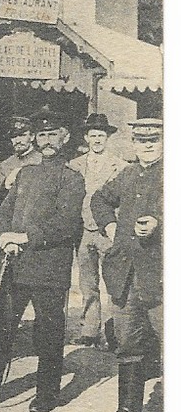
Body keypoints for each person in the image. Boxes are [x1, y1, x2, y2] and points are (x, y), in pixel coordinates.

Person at [0, 107, 85, 412]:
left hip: (49, 268)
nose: (47, 140)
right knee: (0, 330)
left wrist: (23, 237)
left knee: (48, 334)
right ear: (36, 138)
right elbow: (4, 211)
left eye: (53, 135)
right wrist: (2, 237)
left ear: (65, 138)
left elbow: (66, 223)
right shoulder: (25, 173)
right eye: (42, 135)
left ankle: (48, 394)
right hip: (15, 265)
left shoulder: (72, 178)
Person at [90, 118, 163, 412]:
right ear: (133, 142)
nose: (146, 145)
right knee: (128, 344)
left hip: (162, 275)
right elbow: (99, 200)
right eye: (140, 140)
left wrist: (160, 223)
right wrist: (110, 227)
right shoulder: (128, 174)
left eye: (154, 139)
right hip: (126, 276)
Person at [69, 113, 125, 347]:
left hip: (107, 232)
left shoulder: (120, 166)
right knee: (87, 283)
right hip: (83, 231)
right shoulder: (74, 165)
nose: (97, 140)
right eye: (93, 135)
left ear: (108, 138)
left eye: (101, 135)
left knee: (113, 281)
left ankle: (115, 332)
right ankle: (90, 330)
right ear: (86, 138)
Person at [0, 116, 42, 192]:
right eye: (14, 136)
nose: (17, 141)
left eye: (22, 135)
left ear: (32, 137)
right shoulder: (5, 164)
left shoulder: (41, 160)